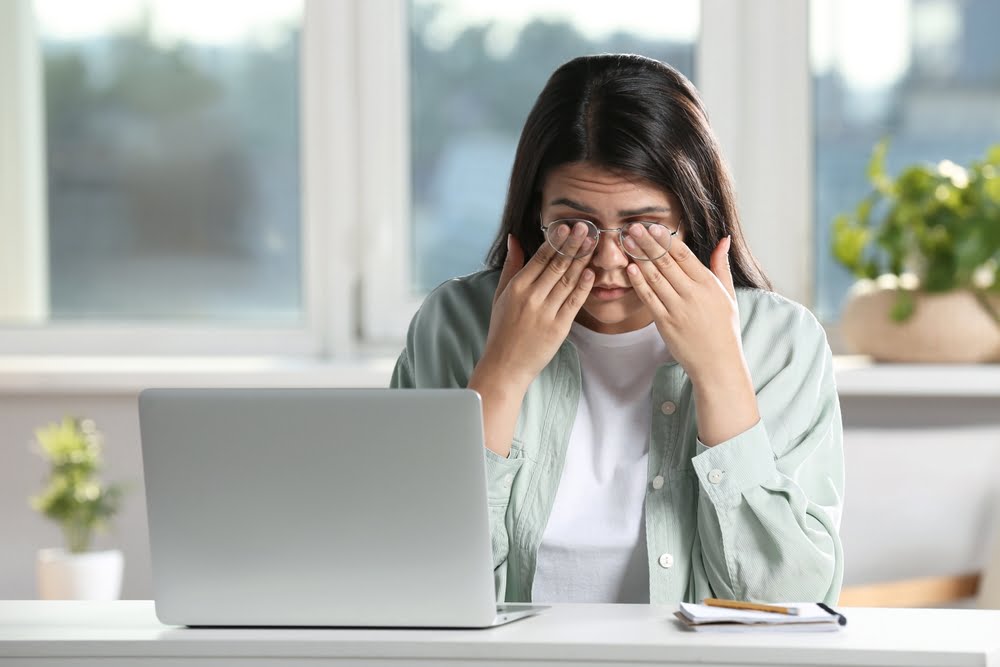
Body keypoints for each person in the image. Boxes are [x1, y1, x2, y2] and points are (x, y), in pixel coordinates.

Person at [391, 54, 844, 605]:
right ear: (532, 212)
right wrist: (503, 372)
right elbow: (412, 584)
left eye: (645, 226)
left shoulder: (782, 343)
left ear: (694, 215)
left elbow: (789, 602)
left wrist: (720, 369)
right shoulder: (452, 324)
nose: (607, 259)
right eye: (573, 224)